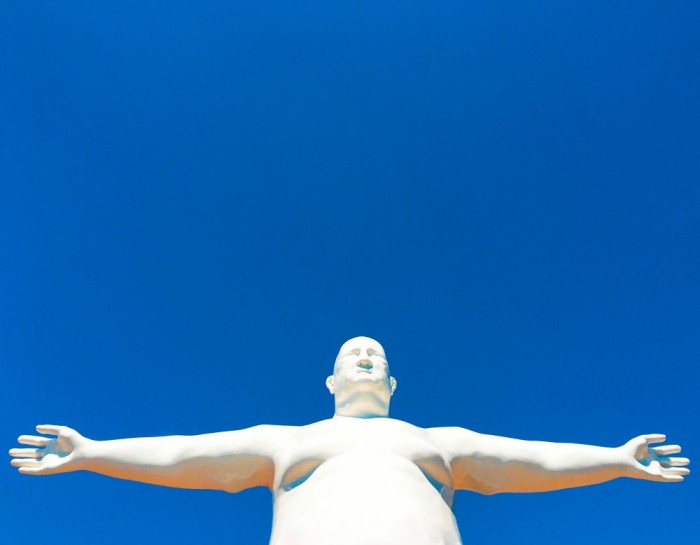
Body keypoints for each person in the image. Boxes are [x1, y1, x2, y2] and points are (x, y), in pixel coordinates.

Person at [9, 336, 690, 545]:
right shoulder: (285, 438)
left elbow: (529, 460)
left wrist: (614, 460)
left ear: (391, 383)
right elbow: (189, 454)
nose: (364, 354)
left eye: (375, 354)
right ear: (331, 380)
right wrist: (93, 451)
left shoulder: (437, 439)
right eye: (352, 352)